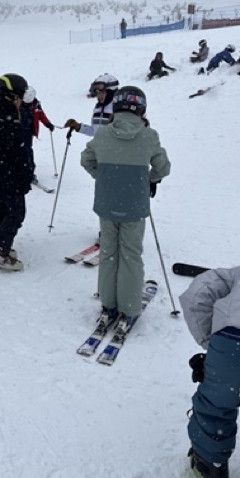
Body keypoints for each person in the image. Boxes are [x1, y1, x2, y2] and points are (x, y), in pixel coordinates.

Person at [80, 86, 170, 330]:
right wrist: (148, 180)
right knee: (130, 254)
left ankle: (108, 304)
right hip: (134, 205)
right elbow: (163, 167)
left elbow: (86, 159)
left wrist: (104, 177)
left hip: (107, 204)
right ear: (141, 108)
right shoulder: (148, 135)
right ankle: (128, 308)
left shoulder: (103, 134)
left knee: (109, 252)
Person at [180, 265, 240, 478]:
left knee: (215, 405)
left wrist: (211, 346)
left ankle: (210, 467)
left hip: (235, 340)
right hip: (237, 338)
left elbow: (197, 294)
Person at [0, 73, 33, 272]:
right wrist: (25, 173)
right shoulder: (6, 117)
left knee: (2, 209)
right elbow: (16, 152)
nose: (21, 101)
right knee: (16, 212)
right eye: (20, 96)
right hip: (9, 176)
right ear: (13, 96)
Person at [20, 86, 54, 184]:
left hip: (28, 132)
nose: (29, 104)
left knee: (27, 151)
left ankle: (29, 172)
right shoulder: (19, 104)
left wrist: (48, 124)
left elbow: (40, 115)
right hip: (17, 132)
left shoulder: (36, 104)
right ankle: (19, 171)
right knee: (19, 151)